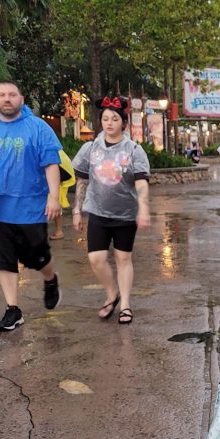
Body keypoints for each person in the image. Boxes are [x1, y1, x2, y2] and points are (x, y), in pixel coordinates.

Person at [0, 80, 62, 331]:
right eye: (2, 95)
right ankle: (13, 310)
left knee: (36, 257)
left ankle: (50, 278)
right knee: (3, 260)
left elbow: (51, 164)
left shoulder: (38, 128)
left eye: (12, 94)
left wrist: (53, 196)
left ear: (22, 98)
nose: (7, 99)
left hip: (30, 207)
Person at [71, 96, 150, 324]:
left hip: (125, 213)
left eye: (114, 119)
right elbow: (82, 181)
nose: (109, 123)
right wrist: (77, 209)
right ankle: (111, 293)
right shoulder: (90, 149)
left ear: (123, 123)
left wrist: (143, 209)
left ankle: (125, 304)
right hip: (97, 212)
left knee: (123, 258)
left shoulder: (135, 151)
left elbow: (141, 183)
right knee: (96, 259)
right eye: (105, 118)